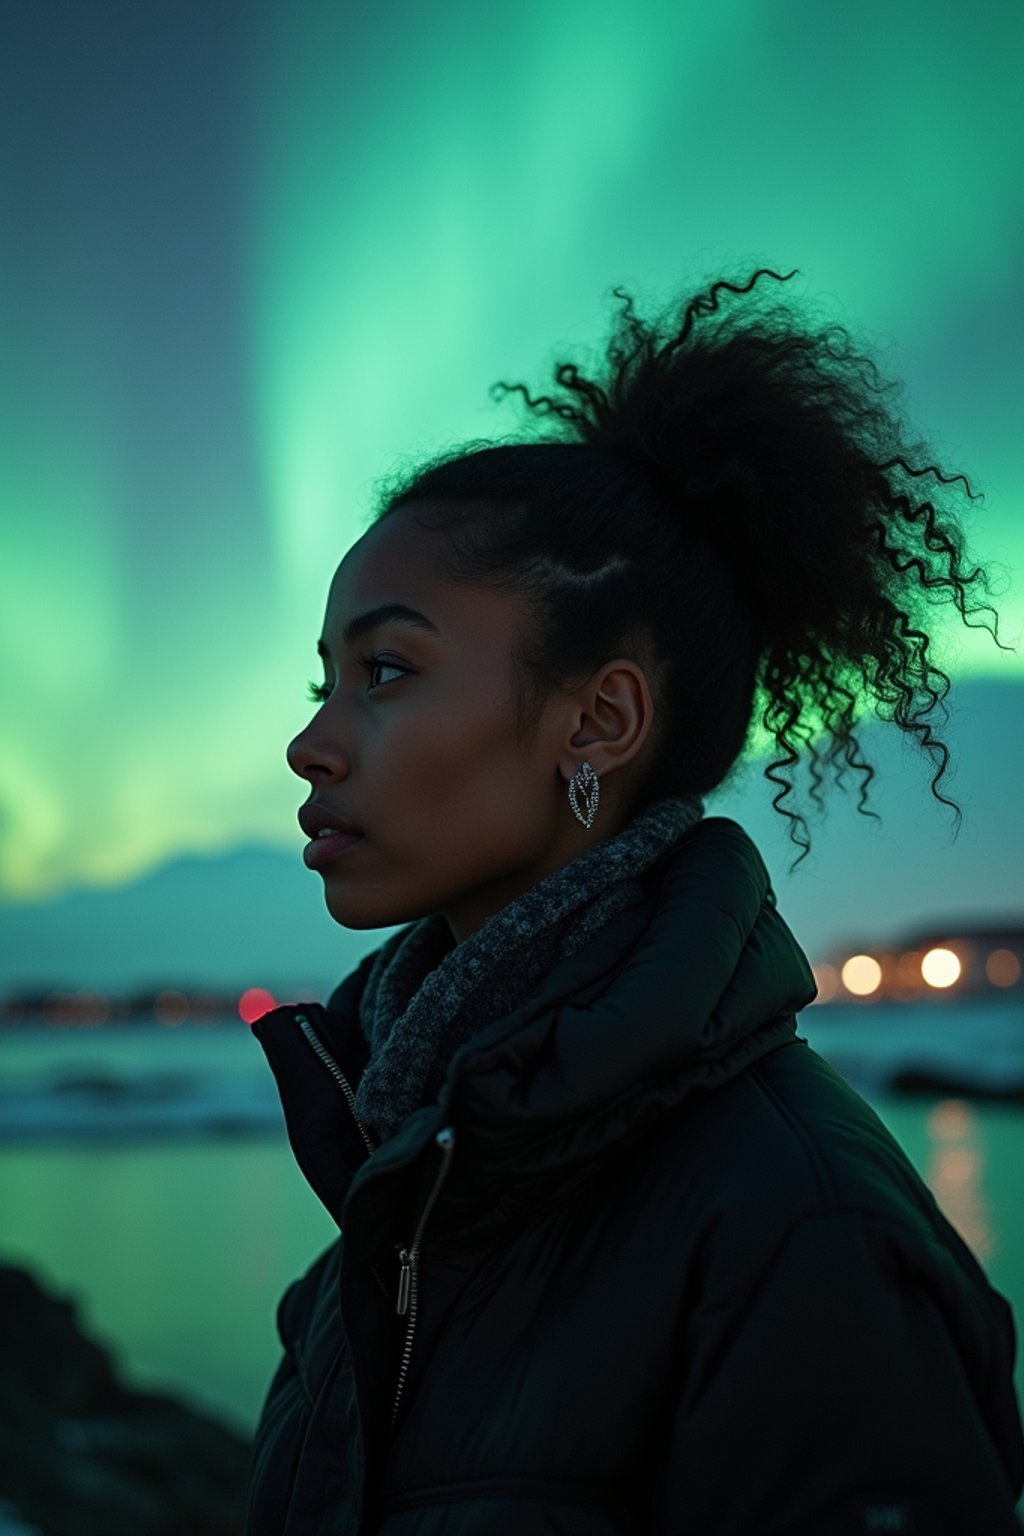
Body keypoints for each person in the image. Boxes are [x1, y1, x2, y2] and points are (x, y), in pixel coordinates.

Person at [245, 266, 1024, 1534]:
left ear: (598, 722)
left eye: (385, 671)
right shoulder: (402, 1202)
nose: (313, 746)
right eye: (323, 680)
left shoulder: (800, 1238)